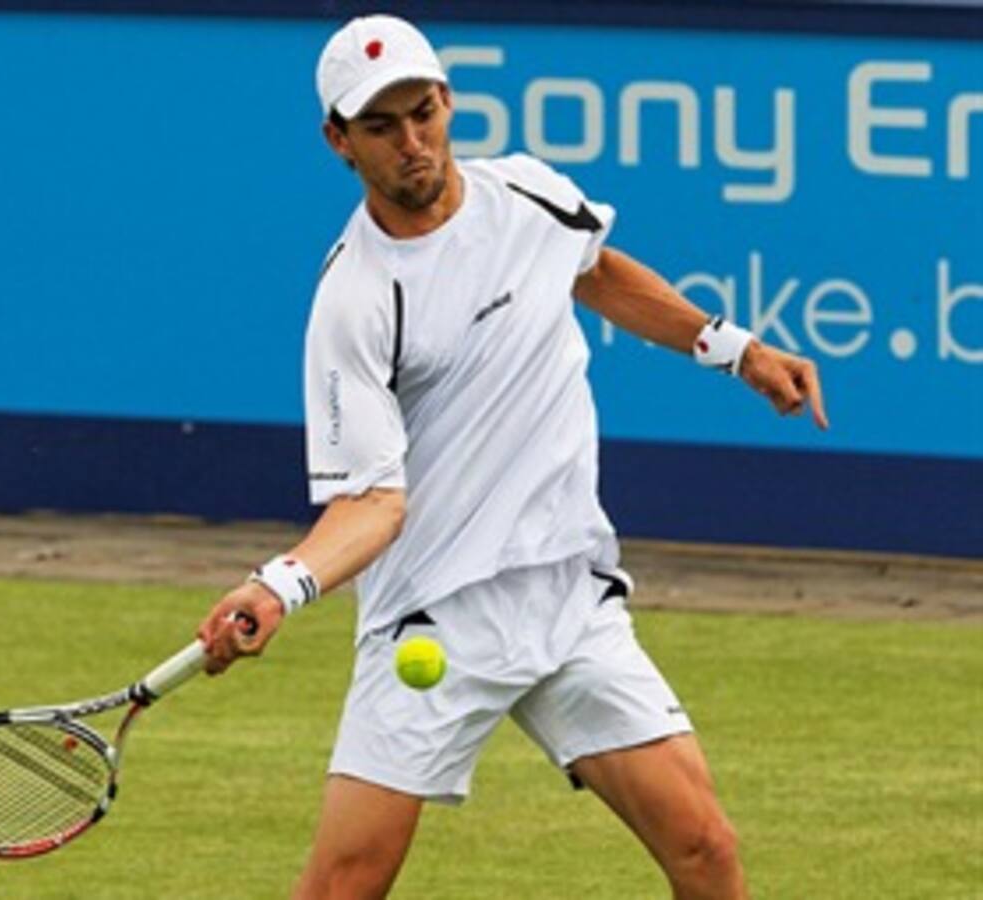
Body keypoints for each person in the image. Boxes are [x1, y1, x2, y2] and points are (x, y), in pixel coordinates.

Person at [198, 14, 827, 899]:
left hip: (570, 598)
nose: (412, 143)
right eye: (381, 127)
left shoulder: (527, 193)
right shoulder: (355, 300)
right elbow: (375, 503)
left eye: (424, 113)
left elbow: (595, 269)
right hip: (437, 621)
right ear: (339, 141)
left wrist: (736, 349)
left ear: (448, 102)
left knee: (705, 849)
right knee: (343, 887)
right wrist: (279, 585)